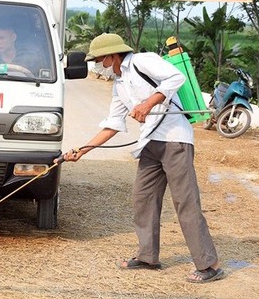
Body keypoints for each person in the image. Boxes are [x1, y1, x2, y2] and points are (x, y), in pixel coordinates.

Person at [60, 33, 224, 284]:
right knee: (143, 199)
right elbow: (112, 124)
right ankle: (148, 256)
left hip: (175, 139)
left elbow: (176, 77)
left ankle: (208, 264)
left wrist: (148, 103)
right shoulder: (119, 85)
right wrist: (83, 150)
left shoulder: (142, 61)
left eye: (100, 60)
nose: (98, 67)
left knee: (185, 202)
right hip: (150, 144)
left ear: (113, 56)